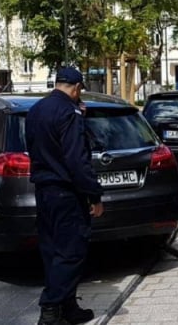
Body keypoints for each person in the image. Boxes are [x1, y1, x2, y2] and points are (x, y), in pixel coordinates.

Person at [25, 67, 104, 325]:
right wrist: (94, 195)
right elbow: (77, 160)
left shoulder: (36, 110)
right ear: (77, 88)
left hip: (44, 191)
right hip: (67, 193)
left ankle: (68, 307)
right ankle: (50, 309)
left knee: (52, 251)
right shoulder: (70, 113)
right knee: (72, 252)